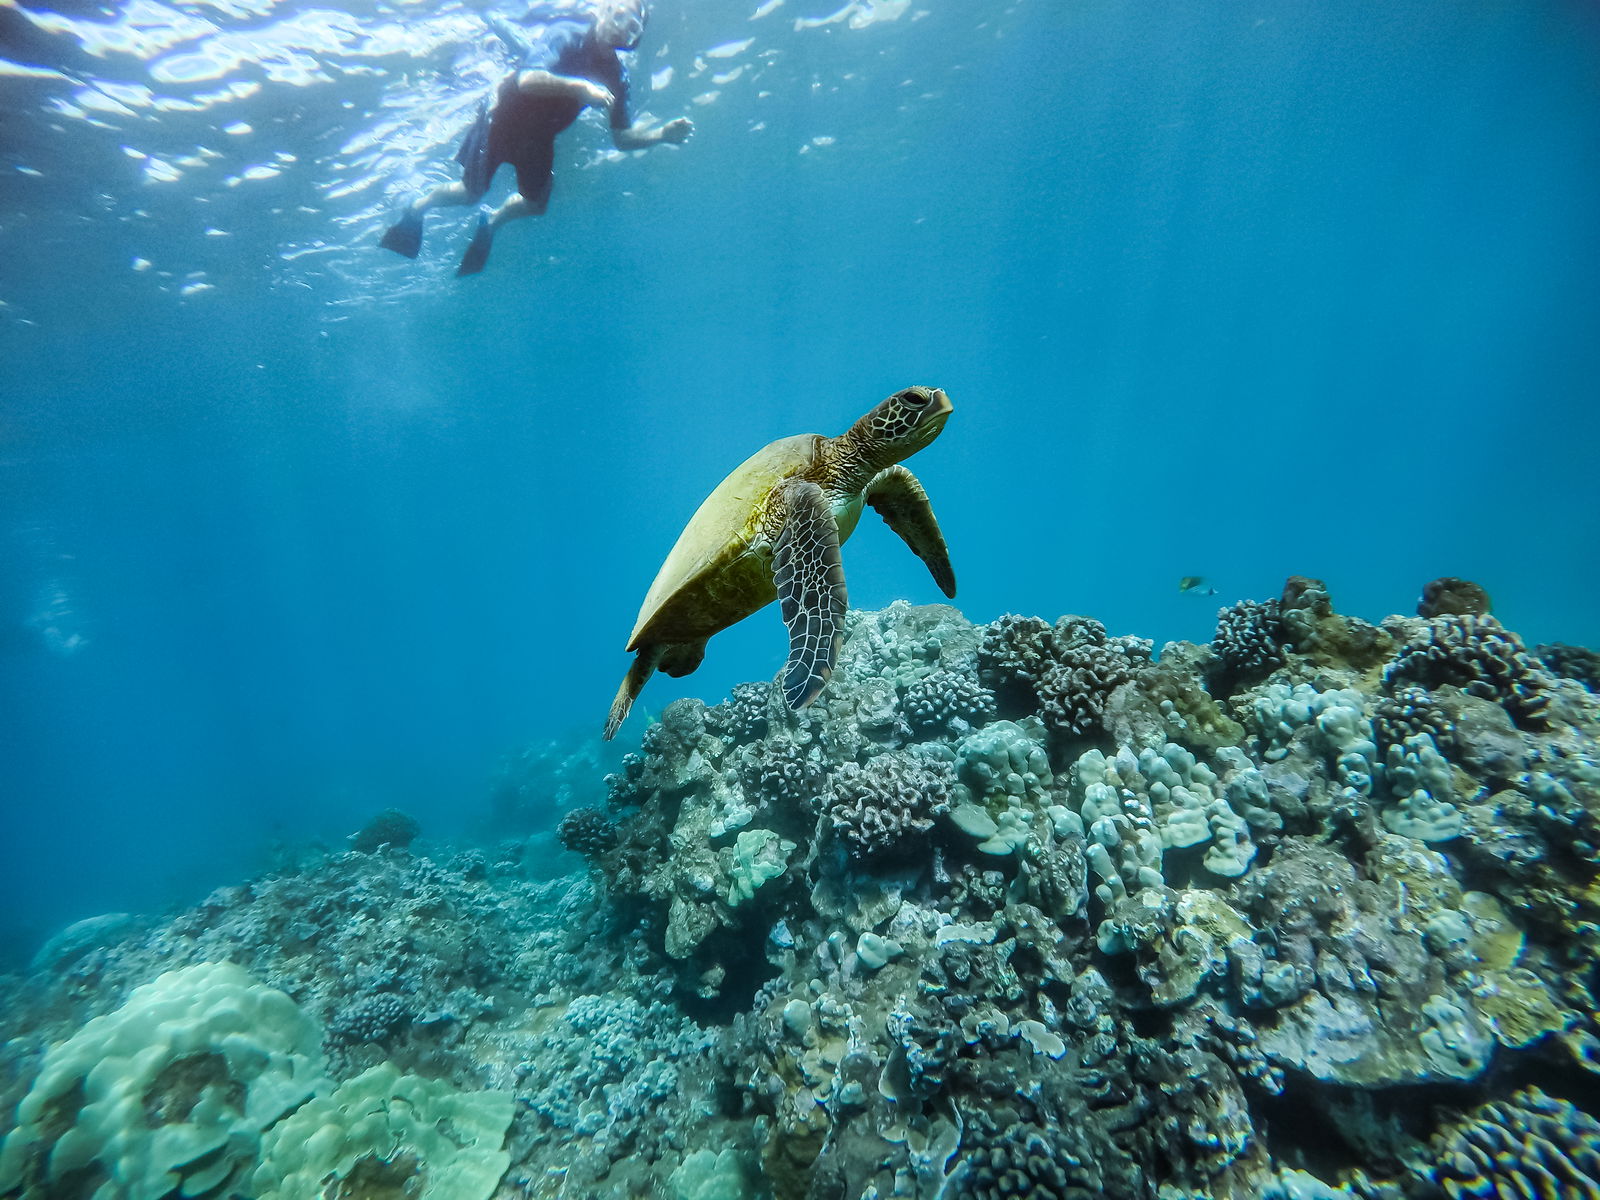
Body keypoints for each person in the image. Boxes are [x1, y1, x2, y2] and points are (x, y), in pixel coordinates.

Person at [379, 0, 692, 276]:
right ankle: (416, 208)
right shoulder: (567, 34)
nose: (620, 26)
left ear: (635, 36)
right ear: (600, 10)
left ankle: (492, 222)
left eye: (631, 24)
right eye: (617, 13)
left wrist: (661, 135)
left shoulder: (617, 76)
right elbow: (527, 79)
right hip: (500, 122)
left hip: (539, 139)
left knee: (535, 204)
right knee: (471, 193)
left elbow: (622, 137)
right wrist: (581, 87)